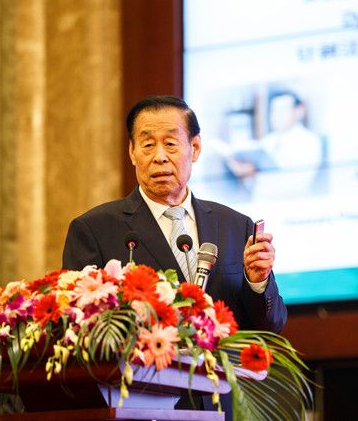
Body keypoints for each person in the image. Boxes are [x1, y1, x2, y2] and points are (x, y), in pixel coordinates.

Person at [62, 95, 287, 418]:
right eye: (147, 145)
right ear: (132, 152)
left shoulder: (235, 226)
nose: (159, 157)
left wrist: (257, 283)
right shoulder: (95, 229)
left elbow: (269, 325)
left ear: (194, 148)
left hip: (221, 408)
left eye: (170, 144)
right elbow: (79, 332)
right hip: (140, 406)